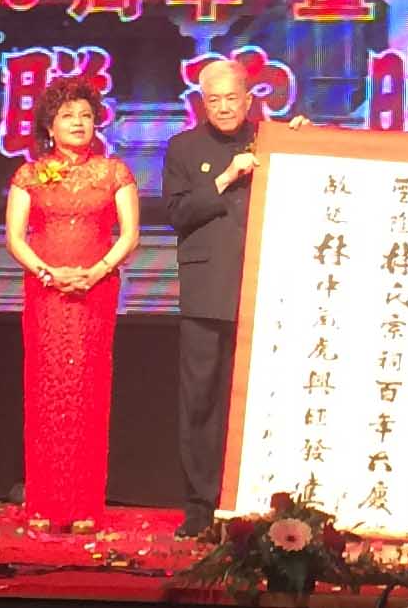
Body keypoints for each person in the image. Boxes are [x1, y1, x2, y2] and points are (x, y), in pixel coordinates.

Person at [5, 77, 140, 526]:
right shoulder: (29, 174)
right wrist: (48, 273)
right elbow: (15, 238)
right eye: (68, 116)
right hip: (45, 293)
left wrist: (96, 272)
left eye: (85, 115)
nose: (78, 123)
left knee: (88, 389)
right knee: (45, 389)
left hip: (96, 291)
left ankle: (84, 506)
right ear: (50, 125)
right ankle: (43, 504)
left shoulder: (114, 172)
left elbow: (130, 235)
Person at [161, 59, 265, 537]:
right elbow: (177, 213)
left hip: (265, 288)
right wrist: (224, 177)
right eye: (214, 100)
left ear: (248, 99)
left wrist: (304, 140)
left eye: (232, 98)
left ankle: (255, 501)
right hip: (205, 291)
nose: (224, 108)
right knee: (200, 401)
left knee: (258, 397)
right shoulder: (184, 147)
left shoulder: (271, 139)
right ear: (202, 103)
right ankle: (200, 505)